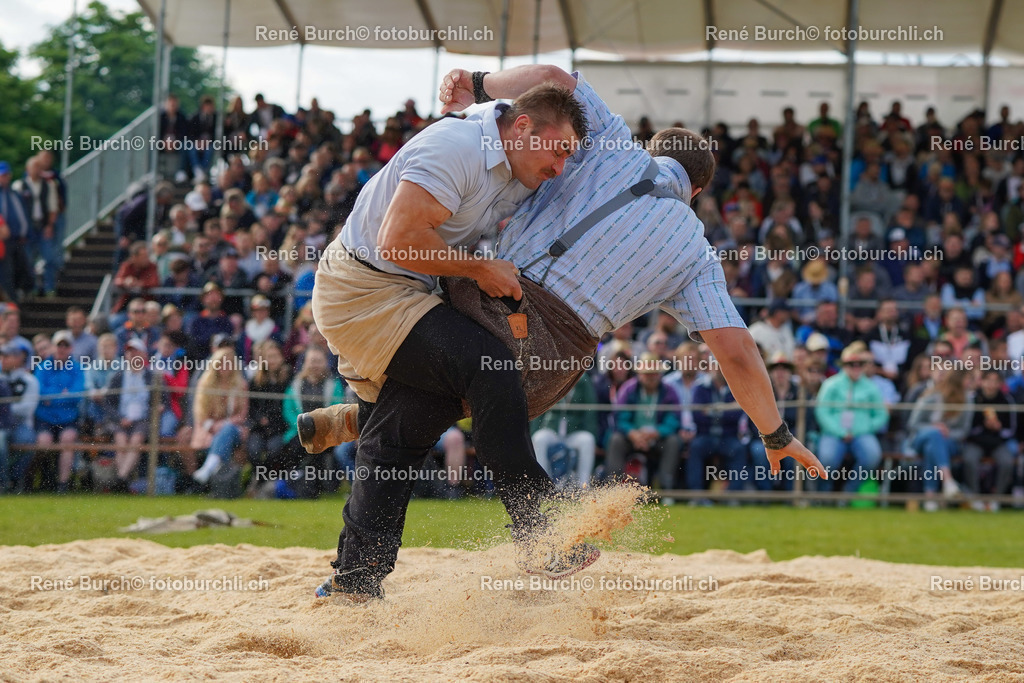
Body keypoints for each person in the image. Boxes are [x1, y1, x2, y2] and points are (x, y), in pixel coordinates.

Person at [304, 65, 825, 600]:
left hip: (488, 302)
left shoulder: (604, 143)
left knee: (432, 408)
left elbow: (558, 77)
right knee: (403, 432)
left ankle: (379, 543)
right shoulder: (695, 249)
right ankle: (364, 565)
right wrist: (775, 433)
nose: (559, 164)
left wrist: (478, 83)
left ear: (653, 150)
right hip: (553, 360)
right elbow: (736, 351)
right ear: (696, 191)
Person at [305, 67, 589, 600]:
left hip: (407, 291)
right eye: (560, 151)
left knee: (401, 433)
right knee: (491, 368)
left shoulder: (515, 157)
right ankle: (539, 528)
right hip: (364, 291)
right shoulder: (458, 146)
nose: (562, 165)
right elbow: (398, 240)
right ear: (522, 126)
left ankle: (354, 581)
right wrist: (482, 271)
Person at [814, 344, 888, 495]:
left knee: (872, 456)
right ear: (843, 366)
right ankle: (823, 495)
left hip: (861, 433)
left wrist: (864, 428)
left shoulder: (870, 387)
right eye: (850, 365)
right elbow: (822, 411)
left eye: (859, 365)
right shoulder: (831, 384)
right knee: (827, 460)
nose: (855, 368)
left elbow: (881, 414)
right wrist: (839, 431)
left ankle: (848, 492)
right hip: (833, 433)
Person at [905, 368, 972, 511]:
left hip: (949, 442)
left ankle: (930, 497)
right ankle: (947, 480)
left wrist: (948, 432)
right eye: (967, 379)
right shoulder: (931, 396)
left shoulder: (968, 401)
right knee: (935, 434)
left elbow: (964, 431)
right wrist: (934, 427)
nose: (970, 383)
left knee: (932, 447)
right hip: (921, 438)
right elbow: (913, 424)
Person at [33, 331, 85, 493]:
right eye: (59, 345)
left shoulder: (76, 368)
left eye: (66, 345)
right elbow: (40, 392)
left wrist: (53, 397)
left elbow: (78, 394)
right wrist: (63, 394)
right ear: (53, 347)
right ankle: (43, 478)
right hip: (45, 418)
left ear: (71, 348)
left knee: (67, 439)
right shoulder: (43, 367)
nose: (62, 349)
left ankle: (62, 484)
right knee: (44, 441)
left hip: (68, 418)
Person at [101, 339, 155, 491]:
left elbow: (160, 400)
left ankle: (120, 479)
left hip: (143, 419)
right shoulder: (118, 376)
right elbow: (108, 402)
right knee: (121, 440)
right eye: (130, 351)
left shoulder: (151, 376)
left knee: (136, 439)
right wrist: (120, 418)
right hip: (121, 418)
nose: (133, 354)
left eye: (136, 351)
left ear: (144, 354)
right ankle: (122, 481)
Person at [190, 348, 249, 485]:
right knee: (224, 440)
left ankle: (208, 469)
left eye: (228, 363)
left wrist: (222, 424)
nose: (225, 367)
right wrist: (213, 426)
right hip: (207, 430)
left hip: (234, 430)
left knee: (227, 430)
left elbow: (242, 415)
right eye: (221, 363)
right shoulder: (204, 384)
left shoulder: (241, 385)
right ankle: (221, 484)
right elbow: (200, 414)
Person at [529, 372, 599, 488]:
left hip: (573, 431)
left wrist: (593, 433)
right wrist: (532, 433)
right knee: (538, 438)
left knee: (588, 439)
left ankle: (583, 486)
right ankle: (543, 485)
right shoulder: (549, 378)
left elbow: (590, 412)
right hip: (552, 429)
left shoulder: (583, 379)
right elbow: (538, 408)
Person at [962, 370, 1015, 507]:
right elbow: (967, 428)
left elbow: (1011, 429)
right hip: (976, 442)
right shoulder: (972, 399)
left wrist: (999, 428)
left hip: (998, 442)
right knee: (969, 459)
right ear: (982, 382)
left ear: (1000, 383)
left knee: (1007, 462)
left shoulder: (1006, 400)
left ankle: (997, 500)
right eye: (988, 380)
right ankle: (975, 498)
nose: (991, 384)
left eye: (995, 381)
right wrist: (983, 426)